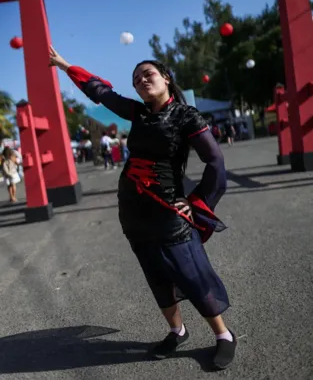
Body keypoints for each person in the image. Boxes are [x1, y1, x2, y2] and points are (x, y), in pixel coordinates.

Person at [49, 46, 236, 370]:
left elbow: (215, 161)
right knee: (156, 276)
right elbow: (102, 93)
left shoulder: (186, 115)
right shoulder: (137, 113)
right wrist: (66, 66)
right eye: (136, 79)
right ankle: (177, 330)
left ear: (166, 78)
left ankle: (223, 335)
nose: (141, 80)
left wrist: (197, 202)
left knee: (190, 273)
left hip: (168, 210)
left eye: (147, 74)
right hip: (133, 211)